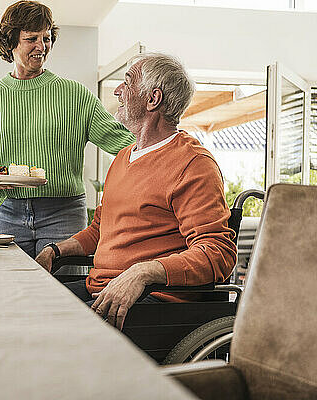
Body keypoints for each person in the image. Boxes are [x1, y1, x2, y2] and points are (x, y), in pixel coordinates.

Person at [35, 53, 237, 330]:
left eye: (127, 82)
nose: (118, 90)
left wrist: (143, 272)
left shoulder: (193, 164)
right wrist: (54, 250)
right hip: (101, 288)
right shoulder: (123, 157)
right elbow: (100, 229)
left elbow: (218, 253)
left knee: (39, 333)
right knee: (24, 306)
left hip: (149, 302)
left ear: (152, 99)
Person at [0, 0, 134, 259]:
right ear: (10, 43)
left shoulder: (75, 94)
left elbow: (123, 142)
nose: (41, 47)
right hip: (7, 211)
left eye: (47, 38)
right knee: (9, 286)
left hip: (63, 212)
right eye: (31, 38)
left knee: (62, 292)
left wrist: (168, 145)